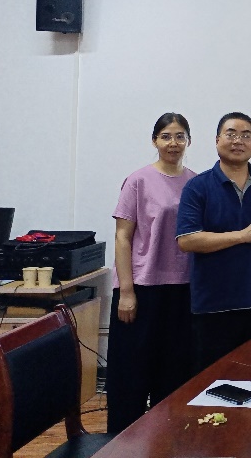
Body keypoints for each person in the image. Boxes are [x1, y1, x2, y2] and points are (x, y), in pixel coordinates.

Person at [106, 113, 196, 433]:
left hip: (183, 288)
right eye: (166, 136)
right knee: (131, 372)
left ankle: (165, 440)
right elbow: (122, 237)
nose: (173, 143)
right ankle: (122, 442)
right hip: (142, 288)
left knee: (174, 372)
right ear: (155, 140)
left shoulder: (196, 182)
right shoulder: (138, 180)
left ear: (188, 141)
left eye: (180, 136)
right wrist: (126, 291)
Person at [176, 112, 251, 372]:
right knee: (213, 381)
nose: (238, 141)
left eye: (246, 135)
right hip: (213, 305)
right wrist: (243, 235)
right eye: (231, 134)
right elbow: (187, 240)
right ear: (217, 140)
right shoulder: (197, 186)